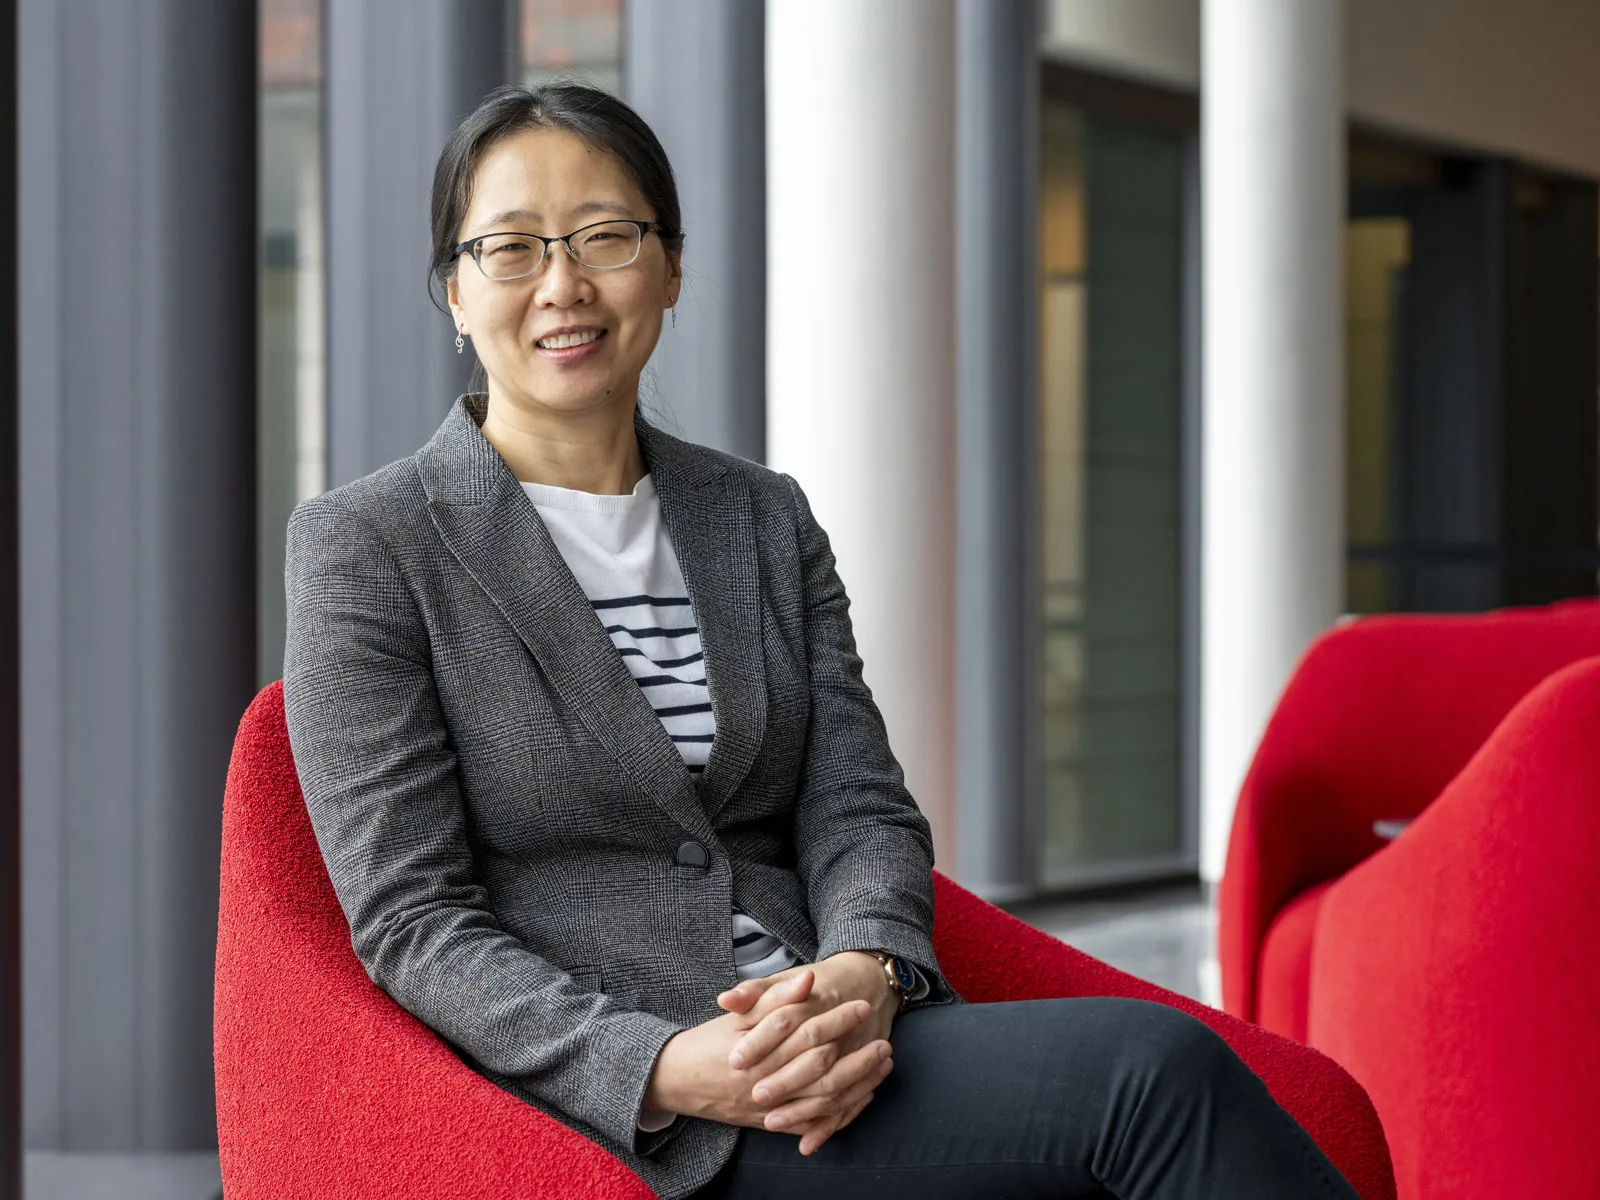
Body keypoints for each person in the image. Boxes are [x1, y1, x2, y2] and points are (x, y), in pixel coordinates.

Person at [281, 82, 1361, 1200]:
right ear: (454, 292)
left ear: (671, 267)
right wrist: (656, 1066)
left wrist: (866, 969)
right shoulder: (369, 545)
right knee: (1154, 1080)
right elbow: (412, 921)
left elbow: (855, 803)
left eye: (606, 236)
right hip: (633, 1108)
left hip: (842, 1044)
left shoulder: (758, 515)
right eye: (511, 248)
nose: (563, 284)